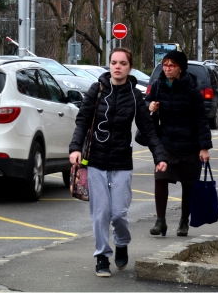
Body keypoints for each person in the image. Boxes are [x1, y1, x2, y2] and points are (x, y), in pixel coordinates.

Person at [69, 47, 167, 278]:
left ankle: (121, 243)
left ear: (129, 67)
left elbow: (149, 130)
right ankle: (102, 256)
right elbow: (82, 121)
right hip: (95, 161)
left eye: (123, 63)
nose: (117, 66)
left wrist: (159, 156)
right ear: (109, 65)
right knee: (100, 213)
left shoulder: (135, 95)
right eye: (114, 62)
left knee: (120, 213)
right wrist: (74, 148)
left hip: (122, 162)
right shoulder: (97, 90)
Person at [147, 50, 212, 238]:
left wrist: (204, 147)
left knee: (188, 185)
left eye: (171, 65)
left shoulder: (192, 90)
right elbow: (146, 108)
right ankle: (161, 221)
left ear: (180, 69)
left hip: (189, 145)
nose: (167, 68)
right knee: (160, 179)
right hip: (166, 143)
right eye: (164, 65)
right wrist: (150, 107)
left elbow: (201, 120)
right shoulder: (158, 86)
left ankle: (184, 221)